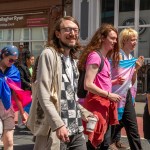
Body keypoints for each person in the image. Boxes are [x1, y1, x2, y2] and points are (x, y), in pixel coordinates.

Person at [27, 16, 93, 150]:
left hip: (76, 128)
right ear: (58, 33)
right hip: (55, 129)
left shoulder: (73, 61)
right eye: (67, 30)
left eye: (75, 30)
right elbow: (43, 94)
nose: (72, 33)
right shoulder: (49, 54)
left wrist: (86, 113)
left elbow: (69, 97)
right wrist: (58, 124)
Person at [78, 23, 122, 150]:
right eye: (112, 38)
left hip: (104, 106)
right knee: (95, 143)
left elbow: (101, 82)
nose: (115, 41)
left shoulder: (104, 58)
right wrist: (109, 95)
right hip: (96, 107)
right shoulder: (95, 56)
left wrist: (114, 82)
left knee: (104, 143)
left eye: (115, 39)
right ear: (102, 38)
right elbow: (88, 84)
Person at [110, 28, 144, 150]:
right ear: (124, 41)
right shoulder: (117, 56)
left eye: (136, 39)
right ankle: (109, 142)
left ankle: (113, 141)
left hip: (127, 95)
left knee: (132, 128)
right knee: (113, 126)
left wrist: (136, 69)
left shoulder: (130, 57)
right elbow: (119, 78)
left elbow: (131, 80)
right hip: (115, 96)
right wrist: (135, 68)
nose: (135, 42)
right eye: (132, 40)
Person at [0, 45, 30, 150]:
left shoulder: (14, 72)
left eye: (15, 60)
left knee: (9, 140)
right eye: (11, 60)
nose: (12, 62)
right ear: (3, 55)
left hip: (8, 107)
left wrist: (22, 113)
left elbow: (16, 93)